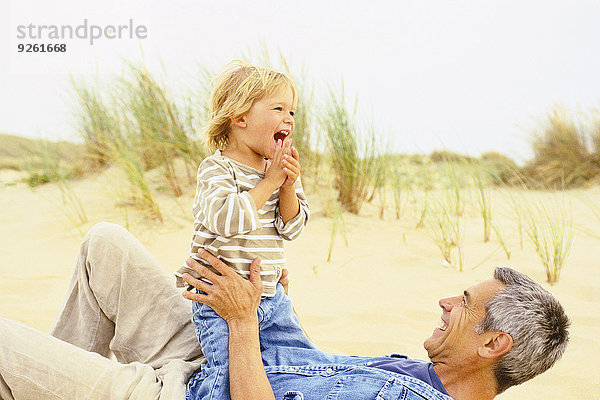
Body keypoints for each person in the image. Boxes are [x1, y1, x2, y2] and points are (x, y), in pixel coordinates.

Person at [0, 223, 569, 399]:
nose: (446, 302)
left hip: (185, 395)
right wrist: (274, 312)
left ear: (494, 345)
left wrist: (245, 322)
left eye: (465, 304)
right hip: (212, 364)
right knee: (108, 246)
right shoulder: (421, 374)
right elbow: (309, 373)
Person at [172, 61, 311, 398]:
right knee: (225, 378)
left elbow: (292, 227)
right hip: (222, 302)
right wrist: (271, 182)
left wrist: (288, 185)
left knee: (303, 361)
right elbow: (226, 220)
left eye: (292, 111)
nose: (289, 118)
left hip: (271, 299)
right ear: (239, 118)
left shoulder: (278, 171)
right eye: (278, 108)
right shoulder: (217, 169)